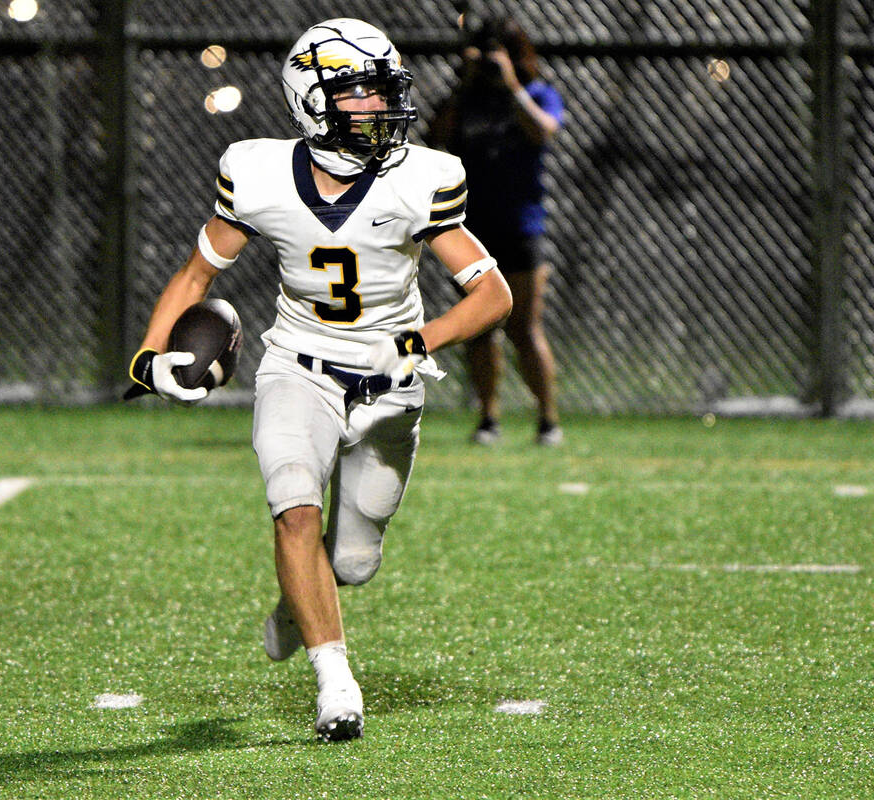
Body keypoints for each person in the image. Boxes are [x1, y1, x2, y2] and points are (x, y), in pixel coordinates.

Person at [126, 18, 511, 742]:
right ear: (311, 98)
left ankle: (297, 600)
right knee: (293, 504)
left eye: (382, 92)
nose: (377, 107)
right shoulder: (258, 170)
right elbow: (198, 272)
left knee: (354, 561)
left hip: (389, 383)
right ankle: (337, 685)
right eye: (359, 92)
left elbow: (493, 298)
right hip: (298, 366)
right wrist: (150, 358)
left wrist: (419, 339)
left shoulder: (422, 177)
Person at [428, 16, 565, 446]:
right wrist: (464, 82)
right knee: (480, 327)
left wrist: (510, 85)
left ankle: (547, 418)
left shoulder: (536, 93)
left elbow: (543, 131)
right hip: (472, 229)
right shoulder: (464, 100)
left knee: (524, 326)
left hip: (520, 226)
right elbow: (436, 139)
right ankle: (488, 417)